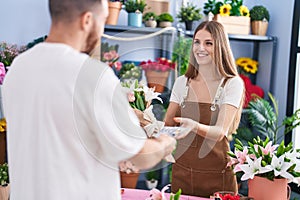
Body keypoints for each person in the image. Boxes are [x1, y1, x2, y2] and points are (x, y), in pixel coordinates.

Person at [2, 0, 176, 199]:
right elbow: (138, 154)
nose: (101, 31)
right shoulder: (91, 75)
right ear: (87, 20)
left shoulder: (18, 69)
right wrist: (164, 143)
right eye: (102, 20)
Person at [164, 20, 244, 198]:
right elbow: (168, 122)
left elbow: (220, 132)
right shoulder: (182, 82)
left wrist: (193, 126)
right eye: (197, 42)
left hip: (217, 179)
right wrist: (143, 117)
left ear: (220, 46)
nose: (201, 48)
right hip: (182, 175)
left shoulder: (231, 84)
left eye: (208, 43)